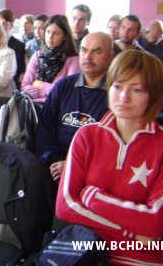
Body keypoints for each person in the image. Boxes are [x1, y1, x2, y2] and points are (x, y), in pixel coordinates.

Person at [56, 49, 163, 266]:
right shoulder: (86, 135)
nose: (123, 97)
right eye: (117, 86)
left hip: (140, 257)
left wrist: (91, 197)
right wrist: (132, 234)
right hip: (86, 249)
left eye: (136, 90)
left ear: (153, 96)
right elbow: (65, 206)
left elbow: (155, 221)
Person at [36, 32, 115, 204]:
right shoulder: (64, 86)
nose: (88, 57)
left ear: (110, 57)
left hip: (92, 173)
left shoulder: (115, 93)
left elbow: (111, 146)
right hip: (54, 165)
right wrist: (55, 160)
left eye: (97, 52)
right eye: (84, 50)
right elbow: (44, 127)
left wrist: (73, 166)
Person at [21, 15, 80, 104]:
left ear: (65, 36)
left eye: (56, 33)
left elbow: (66, 92)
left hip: (57, 110)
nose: (50, 36)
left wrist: (40, 85)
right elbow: (25, 85)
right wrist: (50, 90)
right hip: (33, 108)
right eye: (48, 32)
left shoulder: (73, 60)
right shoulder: (37, 55)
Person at [0, 8, 26, 89]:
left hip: (10, 84)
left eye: (3, 23)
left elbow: (18, 70)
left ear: (11, 25)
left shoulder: (18, 45)